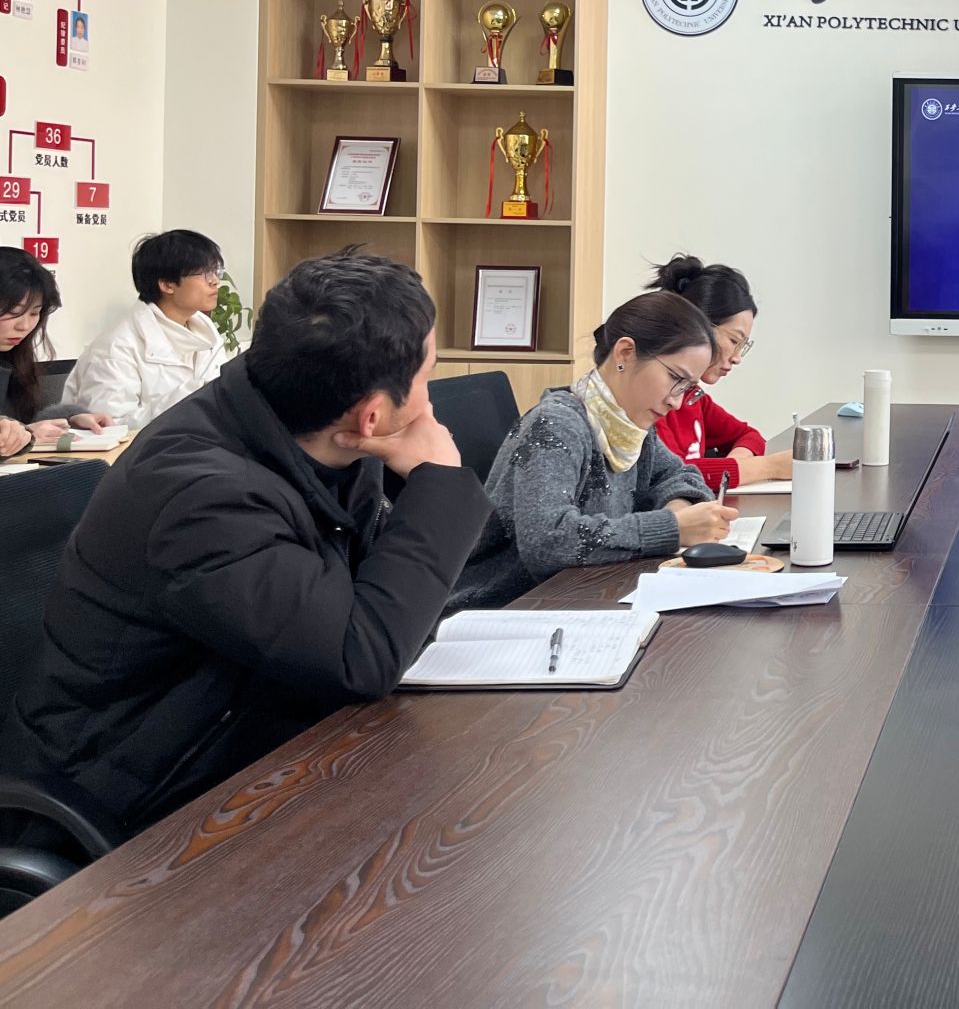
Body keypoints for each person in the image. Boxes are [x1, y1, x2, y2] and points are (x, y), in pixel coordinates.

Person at [0, 251, 490, 839]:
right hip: (136, 794)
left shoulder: (307, 427)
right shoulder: (201, 497)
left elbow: (365, 609)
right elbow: (357, 658)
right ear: (371, 415)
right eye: (426, 376)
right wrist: (438, 483)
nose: (430, 402)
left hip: (250, 736)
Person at [452, 291, 738, 610]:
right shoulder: (556, 425)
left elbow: (680, 474)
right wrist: (671, 528)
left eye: (688, 388)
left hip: (574, 595)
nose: (677, 401)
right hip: (501, 609)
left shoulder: (629, 426)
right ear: (625, 353)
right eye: (675, 378)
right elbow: (547, 542)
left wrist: (678, 509)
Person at [649, 254, 790, 492]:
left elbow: (749, 435)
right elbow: (672, 475)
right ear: (697, 325)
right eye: (734, 341)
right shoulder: (652, 400)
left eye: (742, 346)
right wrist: (767, 467)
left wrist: (734, 466)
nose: (737, 357)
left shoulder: (693, 397)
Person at [64, 229, 230, 430]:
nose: (215, 281)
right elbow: (107, 426)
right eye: (205, 274)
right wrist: (194, 396)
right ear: (167, 285)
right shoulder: (117, 347)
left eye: (216, 271)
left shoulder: (207, 334)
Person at [0, 245, 112, 457]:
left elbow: (22, 420)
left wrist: (69, 420)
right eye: (14, 312)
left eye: (35, 313)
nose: (24, 326)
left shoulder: (13, 356)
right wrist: (24, 435)